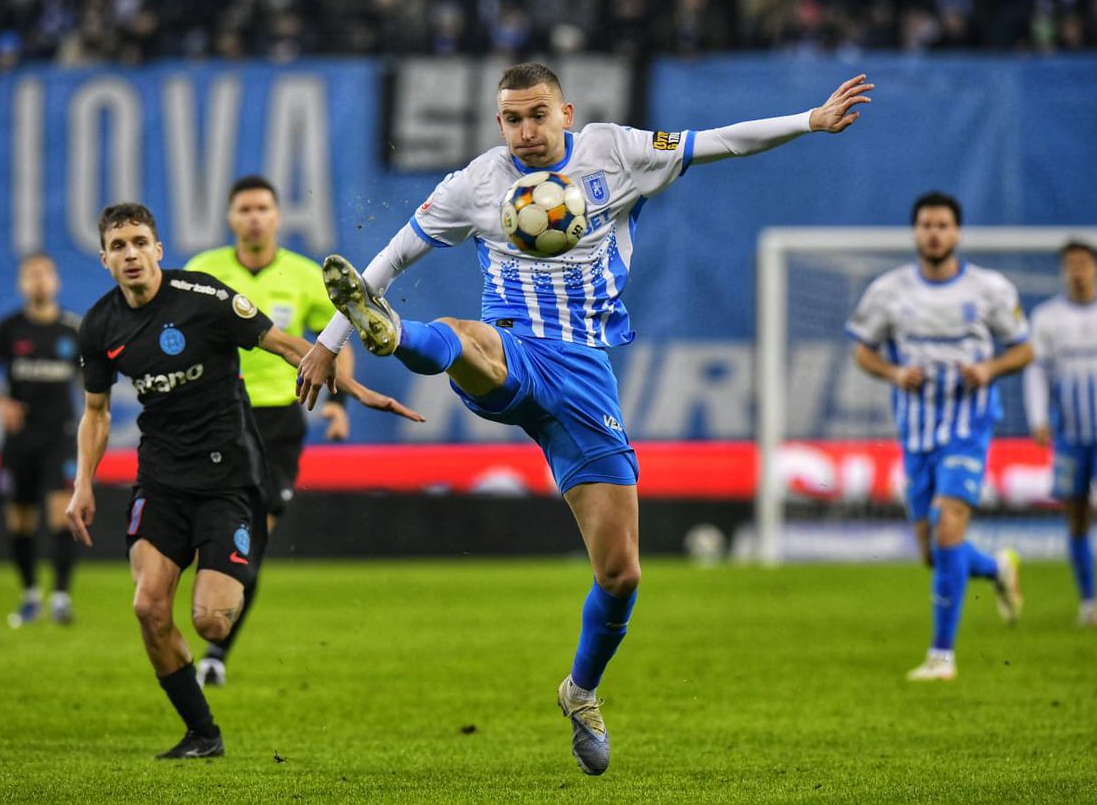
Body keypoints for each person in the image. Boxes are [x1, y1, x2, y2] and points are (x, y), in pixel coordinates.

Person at [296, 62, 874, 775]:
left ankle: (581, 690)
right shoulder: (478, 182)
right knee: (462, 339)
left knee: (622, 572)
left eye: (538, 114)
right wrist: (332, 342)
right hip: (513, 351)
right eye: (513, 119)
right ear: (498, 123)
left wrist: (809, 121)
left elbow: (719, 141)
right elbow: (394, 253)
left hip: (584, 377)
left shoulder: (615, 152)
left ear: (566, 113)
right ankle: (393, 334)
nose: (526, 131)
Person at [66, 203, 421, 759]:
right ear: (104, 258)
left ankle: (231, 557)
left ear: (158, 250)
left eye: (139, 242)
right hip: (160, 481)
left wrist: (354, 391)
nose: (130, 254)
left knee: (210, 622)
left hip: (227, 478)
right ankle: (203, 734)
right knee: (149, 609)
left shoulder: (203, 297)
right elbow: (96, 413)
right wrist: (82, 484)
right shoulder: (99, 326)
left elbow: (287, 344)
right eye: (118, 246)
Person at [847, 191, 1033, 682]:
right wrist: (893, 373)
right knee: (934, 553)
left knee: (949, 526)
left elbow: (1023, 349)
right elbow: (863, 351)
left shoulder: (989, 289)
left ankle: (941, 656)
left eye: (943, 225)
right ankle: (996, 568)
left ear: (957, 232)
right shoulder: (889, 291)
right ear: (915, 232)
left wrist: (989, 368)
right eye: (927, 225)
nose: (935, 233)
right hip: (916, 432)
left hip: (969, 426)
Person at [185, 174, 354, 688]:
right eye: (245, 209)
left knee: (251, 539)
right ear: (230, 218)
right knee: (212, 537)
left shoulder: (303, 275)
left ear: (278, 217)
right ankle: (206, 631)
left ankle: (216, 651)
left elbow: (335, 340)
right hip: (215, 416)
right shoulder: (203, 271)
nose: (254, 217)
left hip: (277, 420)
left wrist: (338, 403)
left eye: (263, 208)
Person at [0, 252, 82, 627]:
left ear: (56, 281)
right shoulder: (9, 328)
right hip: (19, 439)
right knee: (19, 519)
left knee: (62, 512)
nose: (39, 280)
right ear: (21, 283)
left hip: (60, 436)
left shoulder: (73, 329)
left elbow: (93, 379)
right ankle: (31, 594)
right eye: (32, 275)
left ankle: (61, 596)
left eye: (45, 273)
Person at [1024, 238, 1097, 626]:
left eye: (1083, 263)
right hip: (1070, 434)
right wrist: (1038, 418)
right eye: (1071, 264)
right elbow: (1037, 371)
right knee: (1076, 517)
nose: (1077, 271)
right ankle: (1088, 601)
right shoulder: (1048, 317)